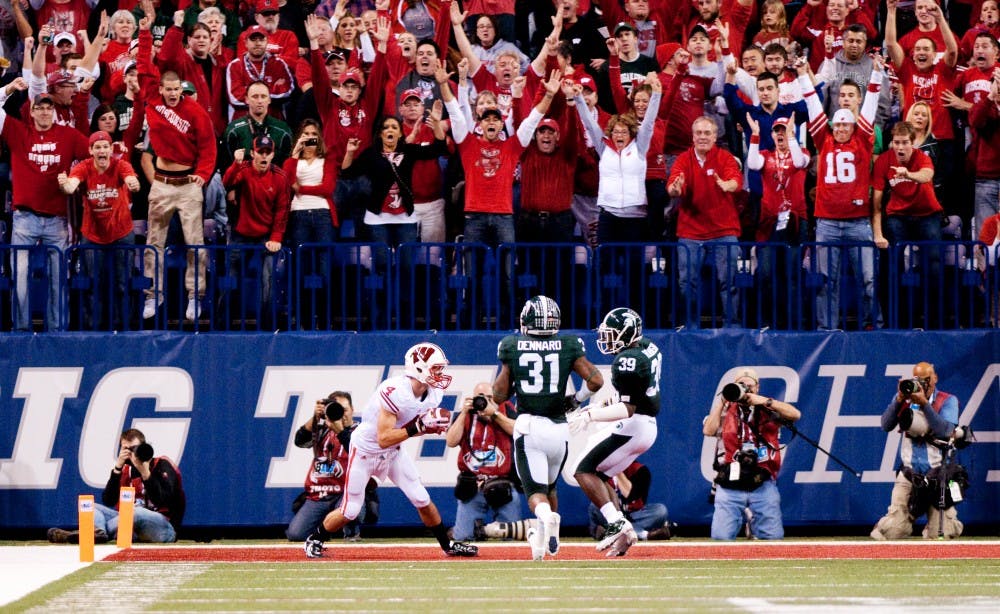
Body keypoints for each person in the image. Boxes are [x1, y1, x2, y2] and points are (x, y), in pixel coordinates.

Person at [304, 343, 478, 558]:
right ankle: (316, 538)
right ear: (419, 368)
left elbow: (405, 432)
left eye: (440, 368)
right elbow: (383, 437)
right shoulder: (395, 391)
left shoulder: (434, 392)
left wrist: (427, 427)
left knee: (422, 498)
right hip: (366, 451)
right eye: (435, 368)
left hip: (394, 451)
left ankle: (447, 545)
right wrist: (420, 426)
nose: (440, 373)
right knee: (350, 510)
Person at [493, 295, 604, 560]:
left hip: (530, 427)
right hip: (559, 430)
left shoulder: (512, 345)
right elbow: (596, 380)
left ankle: (547, 519)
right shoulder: (567, 344)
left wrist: (510, 370)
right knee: (551, 488)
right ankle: (542, 547)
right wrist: (575, 400)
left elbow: (498, 395)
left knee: (535, 494)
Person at [136, 14, 217, 323]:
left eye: (176, 90)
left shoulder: (195, 112)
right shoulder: (152, 100)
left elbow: (209, 148)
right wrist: (146, 33)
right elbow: (145, 67)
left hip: (187, 185)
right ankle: (152, 296)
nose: (171, 94)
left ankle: (195, 297)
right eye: (167, 88)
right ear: (162, 87)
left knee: (195, 245)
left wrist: (203, 175)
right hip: (160, 183)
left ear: (181, 89)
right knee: (152, 244)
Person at [569, 307, 661, 557]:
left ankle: (616, 523)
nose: (607, 339)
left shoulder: (627, 360)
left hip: (634, 424)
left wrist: (591, 414)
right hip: (647, 425)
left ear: (628, 333)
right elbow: (635, 395)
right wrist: (603, 405)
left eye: (612, 334)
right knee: (598, 473)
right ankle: (625, 529)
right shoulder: (647, 348)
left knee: (582, 469)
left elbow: (628, 408)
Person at [0, 83, 89, 332]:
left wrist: (75, 177)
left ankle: (57, 332)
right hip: (24, 218)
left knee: (59, 280)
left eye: (49, 108)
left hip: (57, 219)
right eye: (39, 108)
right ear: (31, 112)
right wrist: (7, 89)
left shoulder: (68, 135)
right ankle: (21, 330)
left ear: (54, 112)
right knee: (19, 279)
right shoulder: (18, 131)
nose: (44, 112)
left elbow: (91, 155)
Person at [702, 368, 801, 540]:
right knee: (720, 539)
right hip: (731, 481)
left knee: (773, 538)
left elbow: (795, 415)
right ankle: (747, 521)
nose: (746, 389)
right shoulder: (726, 411)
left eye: (750, 386)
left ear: (757, 387)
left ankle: (753, 523)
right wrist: (722, 402)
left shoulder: (767, 408)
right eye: (741, 385)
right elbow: (708, 430)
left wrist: (765, 401)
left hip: (761, 479)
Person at [871, 362, 964, 540]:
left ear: (934, 378)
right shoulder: (905, 400)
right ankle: (896, 519)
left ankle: (948, 522)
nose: (922, 385)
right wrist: (899, 400)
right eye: (918, 380)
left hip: (938, 476)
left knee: (941, 535)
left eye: (926, 380)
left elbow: (944, 430)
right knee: (891, 532)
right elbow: (886, 425)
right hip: (909, 474)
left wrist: (924, 405)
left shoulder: (947, 400)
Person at [58, 131, 140, 330]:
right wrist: (65, 185)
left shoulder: (121, 165)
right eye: (98, 147)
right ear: (90, 150)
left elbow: (131, 179)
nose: (102, 151)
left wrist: (133, 183)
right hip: (93, 235)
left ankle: (124, 329)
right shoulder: (84, 167)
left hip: (121, 233)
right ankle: (93, 329)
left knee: (122, 284)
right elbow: (72, 185)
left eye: (105, 147)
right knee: (93, 284)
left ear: (111, 150)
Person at [667, 116, 744, 328]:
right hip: (691, 230)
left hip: (724, 228)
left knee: (729, 281)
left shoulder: (725, 157)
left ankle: (732, 326)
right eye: (698, 133)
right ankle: (690, 326)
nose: (702, 137)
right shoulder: (683, 159)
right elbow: (674, 186)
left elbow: (735, 181)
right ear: (692, 137)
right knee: (686, 282)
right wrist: (675, 189)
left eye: (707, 133)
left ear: (715, 136)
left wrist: (728, 185)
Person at [48, 429, 185, 544]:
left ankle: (89, 533)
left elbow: (166, 499)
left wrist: (145, 473)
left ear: (143, 447)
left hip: (164, 527)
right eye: (126, 449)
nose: (132, 454)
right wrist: (117, 469)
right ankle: (98, 533)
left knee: (135, 512)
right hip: (127, 525)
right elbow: (108, 500)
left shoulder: (162, 464)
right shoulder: (125, 470)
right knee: (90, 506)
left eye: (134, 449)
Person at [220, 134, 291, 326]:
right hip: (241, 233)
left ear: (273, 155)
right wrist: (235, 163)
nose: (264, 156)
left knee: (268, 280)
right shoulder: (243, 169)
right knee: (231, 280)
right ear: (253, 154)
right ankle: (222, 324)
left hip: (266, 236)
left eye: (268, 152)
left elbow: (282, 210)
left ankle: (267, 326)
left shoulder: (280, 177)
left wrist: (276, 237)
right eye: (260, 152)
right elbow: (226, 182)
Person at [286, 392, 367, 542]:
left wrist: (340, 430)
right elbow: (300, 441)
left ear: (353, 410)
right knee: (295, 535)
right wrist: (315, 418)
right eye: (337, 410)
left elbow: (359, 452)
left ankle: (351, 532)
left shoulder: (361, 431)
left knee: (353, 502)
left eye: (345, 409)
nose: (342, 414)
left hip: (346, 492)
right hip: (319, 494)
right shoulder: (321, 429)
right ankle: (323, 530)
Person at [445, 382, 520, 542]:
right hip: (472, 485)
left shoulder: (505, 409)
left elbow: (517, 431)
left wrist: (495, 414)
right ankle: (467, 530)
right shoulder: (466, 415)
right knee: (463, 539)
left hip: (502, 484)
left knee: (511, 538)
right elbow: (451, 441)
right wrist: (464, 412)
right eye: (481, 398)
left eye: (490, 398)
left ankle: (482, 531)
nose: (485, 402)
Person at [586, 462, 673, 542]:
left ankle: (610, 533)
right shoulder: (600, 471)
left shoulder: (640, 470)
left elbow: (629, 495)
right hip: (612, 515)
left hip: (633, 515)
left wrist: (617, 470)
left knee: (660, 511)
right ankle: (645, 535)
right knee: (595, 506)